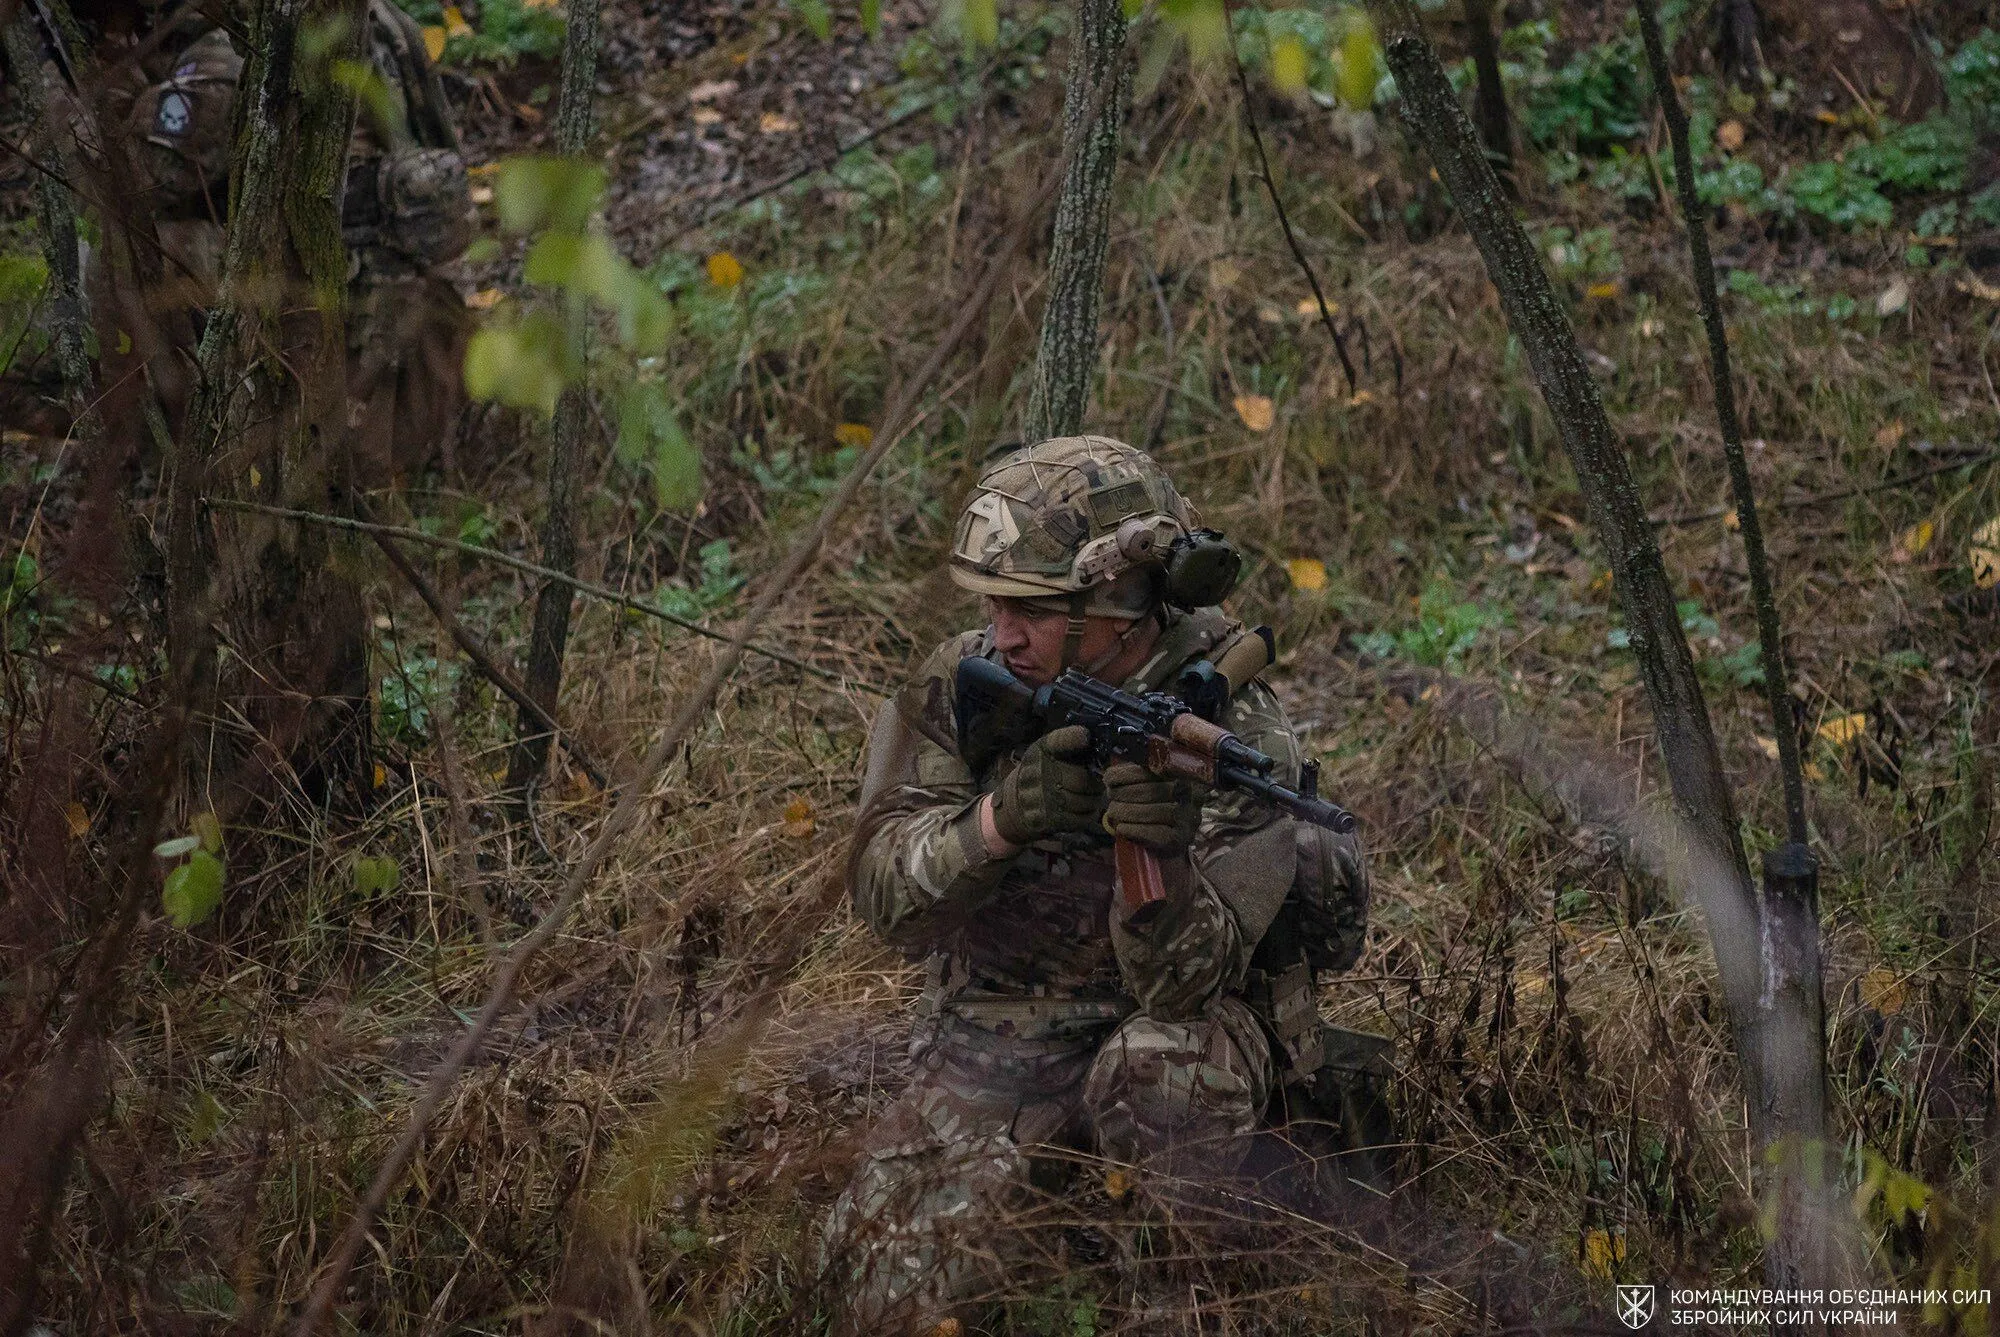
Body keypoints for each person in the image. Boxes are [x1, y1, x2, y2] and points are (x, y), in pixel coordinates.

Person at [824, 435, 1370, 1333]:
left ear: (1115, 606)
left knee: (1160, 1070)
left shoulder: (1231, 732)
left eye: (1028, 610)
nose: (1000, 632)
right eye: (996, 604)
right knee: (875, 1292)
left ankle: (1175, 1293)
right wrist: (1000, 820)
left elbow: (1184, 986)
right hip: (998, 1040)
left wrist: (1160, 852)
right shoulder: (967, 679)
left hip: (1171, 1038)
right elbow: (885, 897)